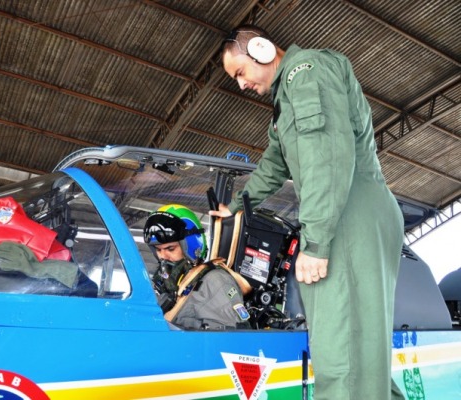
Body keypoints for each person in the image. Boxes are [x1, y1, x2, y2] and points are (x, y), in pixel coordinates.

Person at [212, 25, 405, 399]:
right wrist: (236, 207)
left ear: (261, 49)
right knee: (362, 352)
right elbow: (273, 165)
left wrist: (315, 242)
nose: (241, 85)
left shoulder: (307, 74)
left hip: (348, 212)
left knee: (341, 355)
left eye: (240, 73)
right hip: (348, 212)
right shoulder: (287, 99)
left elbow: (325, 159)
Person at [143, 204, 250, 330]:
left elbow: (236, 338)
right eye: (158, 250)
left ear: (192, 245)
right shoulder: (171, 286)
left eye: (170, 249)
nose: (163, 257)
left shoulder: (215, 281)